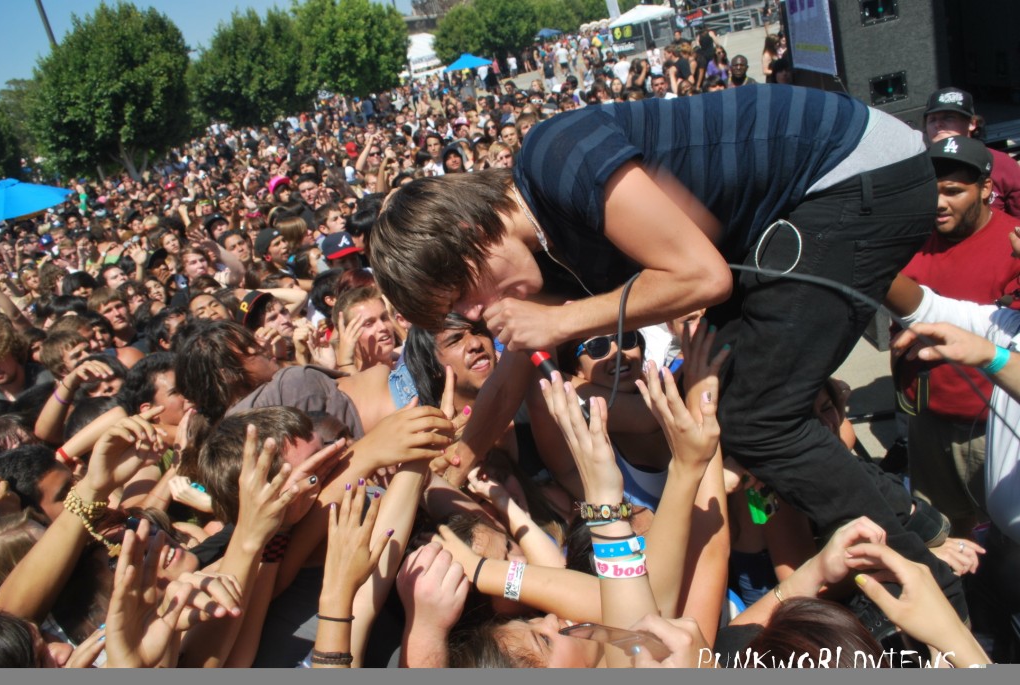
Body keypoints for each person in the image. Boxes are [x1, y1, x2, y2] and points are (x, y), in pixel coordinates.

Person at [370, 84, 967, 619]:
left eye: (464, 297)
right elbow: (513, 367)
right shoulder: (547, 255)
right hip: (802, 204)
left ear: (471, 236)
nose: (476, 317)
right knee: (721, 403)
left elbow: (704, 278)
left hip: (854, 173)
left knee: (758, 416)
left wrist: (562, 319)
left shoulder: (553, 159)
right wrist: (456, 460)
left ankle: (932, 595)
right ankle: (914, 521)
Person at [896, 136, 1020, 536]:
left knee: (1002, 542)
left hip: (991, 430)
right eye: (931, 191)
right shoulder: (909, 237)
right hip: (928, 424)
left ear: (986, 189)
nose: (938, 204)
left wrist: (991, 357)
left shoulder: (1014, 245)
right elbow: (922, 307)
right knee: (944, 536)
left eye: (953, 191)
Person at [924, 87, 1020, 218]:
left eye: (948, 118)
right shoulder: (918, 169)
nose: (938, 124)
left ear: (972, 123)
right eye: (932, 119)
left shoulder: (1002, 164)